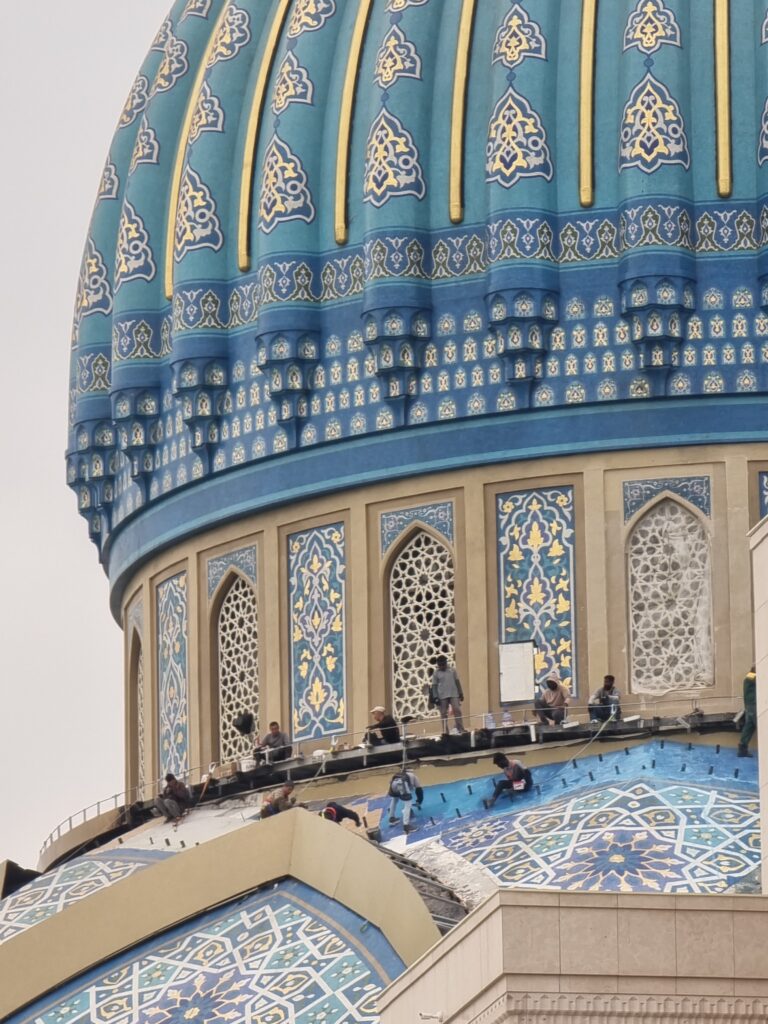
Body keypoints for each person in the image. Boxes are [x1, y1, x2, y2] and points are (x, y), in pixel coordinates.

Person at [431, 655, 465, 734]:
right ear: (438, 665)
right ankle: (445, 731)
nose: (442, 666)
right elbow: (434, 686)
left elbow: (457, 682)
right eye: (440, 665)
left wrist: (461, 693)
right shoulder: (436, 673)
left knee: (457, 710)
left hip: (453, 693)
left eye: (443, 664)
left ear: (446, 663)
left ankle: (460, 728)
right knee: (443, 713)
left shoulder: (452, 670)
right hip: (442, 696)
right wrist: (435, 697)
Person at [387, 766, 423, 834]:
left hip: (393, 783)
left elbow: (391, 781)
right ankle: (406, 826)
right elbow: (419, 790)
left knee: (394, 800)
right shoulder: (413, 776)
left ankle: (392, 819)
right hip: (402, 783)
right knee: (408, 804)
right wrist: (419, 801)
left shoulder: (400, 773)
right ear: (411, 771)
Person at [738, 664, 757, 757]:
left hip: (750, 705)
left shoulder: (748, 677)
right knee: (762, 726)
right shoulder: (753, 677)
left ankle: (742, 749)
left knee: (749, 727)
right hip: (754, 705)